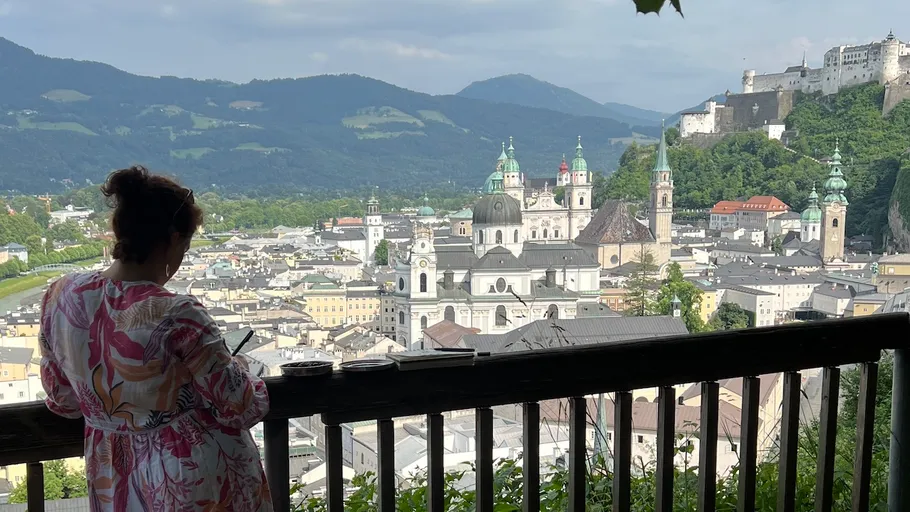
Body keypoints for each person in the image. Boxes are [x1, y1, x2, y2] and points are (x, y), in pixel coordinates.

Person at [39, 166, 272, 511]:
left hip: (111, 472)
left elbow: (62, 399)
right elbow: (239, 405)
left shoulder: (61, 295)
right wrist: (240, 367)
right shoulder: (177, 312)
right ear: (174, 239)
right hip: (187, 474)